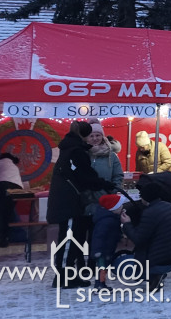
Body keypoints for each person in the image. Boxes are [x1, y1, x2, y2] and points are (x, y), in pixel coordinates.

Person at [47, 120, 111, 288]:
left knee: (70, 239)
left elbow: (81, 174)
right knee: (68, 240)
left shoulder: (70, 149)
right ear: (84, 135)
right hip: (68, 201)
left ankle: (67, 275)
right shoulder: (76, 151)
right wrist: (103, 183)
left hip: (67, 200)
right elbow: (85, 176)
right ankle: (63, 278)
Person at [120, 181, 171, 291]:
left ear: (145, 198)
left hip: (160, 260)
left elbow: (138, 239)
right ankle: (157, 273)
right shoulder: (168, 206)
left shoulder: (150, 212)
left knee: (121, 265)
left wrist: (127, 224)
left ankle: (155, 274)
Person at [91, 193, 129, 291]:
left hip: (107, 249)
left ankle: (101, 284)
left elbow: (113, 233)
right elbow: (99, 236)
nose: (122, 208)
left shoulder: (112, 218)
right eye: (120, 206)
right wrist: (97, 251)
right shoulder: (106, 221)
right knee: (102, 268)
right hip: (102, 251)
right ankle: (100, 285)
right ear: (114, 208)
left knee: (104, 268)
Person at [87, 120, 124, 211]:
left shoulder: (111, 155)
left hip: (106, 201)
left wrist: (112, 191)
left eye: (98, 135)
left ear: (102, 136)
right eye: (91, 136)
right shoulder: (83, 153)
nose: (95, 138)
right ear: (87, 138)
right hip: (86, 201)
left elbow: (118, 175)